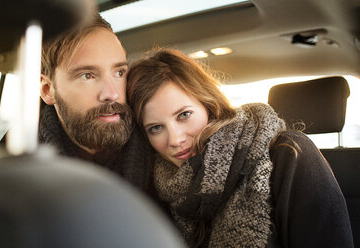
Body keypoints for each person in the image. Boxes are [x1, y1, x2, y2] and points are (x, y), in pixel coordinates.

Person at [126, 48, 354, 247]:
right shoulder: (155, 188)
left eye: (184, 115)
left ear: (209, 105)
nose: (175, 139)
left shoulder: (288, 155)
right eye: (155, 128)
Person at [38, 13, 155, 197]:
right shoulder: (14, 181)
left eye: (119, 72)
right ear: (47, 89)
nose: (112, 94)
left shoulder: (163, 148)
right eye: (87, 75)